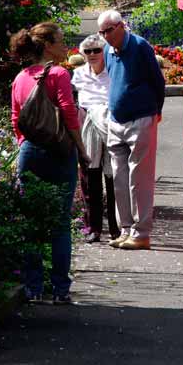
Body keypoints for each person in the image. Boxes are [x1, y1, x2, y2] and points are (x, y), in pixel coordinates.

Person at [10, 22, 89, 305]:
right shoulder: (58, 73)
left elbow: (16, 119)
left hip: (30, 152)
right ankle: (59, 289)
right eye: (60, 41)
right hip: (58, 152)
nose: (65, 46)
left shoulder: (20, 78)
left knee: (31, 222)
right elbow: (69, 114)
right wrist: (81, 149)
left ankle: (32, 288)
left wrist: (26, 146)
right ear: (47, 46)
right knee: (59, 223)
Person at [98, 10, 165, 251]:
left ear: (121, 26)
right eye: (101, 32)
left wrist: (157, 109)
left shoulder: (140, 46)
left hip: (141, 118)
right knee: (119, 179)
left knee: (140, 179)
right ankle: (125, 229)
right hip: (116, 121)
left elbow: (158, 82)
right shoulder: (107, 50)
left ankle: (141, 233)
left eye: (109, 30)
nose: (105, 36)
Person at [72, 34, 120, 244]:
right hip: (87, 121)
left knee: (113, 176)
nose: (92, 55)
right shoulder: (78, 74)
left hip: (110, 122)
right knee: (90, 177)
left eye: (96, 50)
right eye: (88, 51)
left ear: (105, 52)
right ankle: (93, 227)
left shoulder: (114, 72)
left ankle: (116, 227)